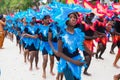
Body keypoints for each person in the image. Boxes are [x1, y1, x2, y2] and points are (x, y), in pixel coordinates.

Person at [54, 12, 86, 80]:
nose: (73, 19)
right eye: (71, 17)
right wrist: (74, 62)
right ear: (66, 20)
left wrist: (89, 52)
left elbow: (81, 45)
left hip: (77, 60)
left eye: (75, 18)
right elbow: (59, 53)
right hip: (66, 62)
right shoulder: (62, 34)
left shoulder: (78, 33)